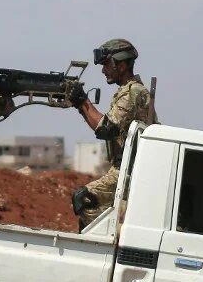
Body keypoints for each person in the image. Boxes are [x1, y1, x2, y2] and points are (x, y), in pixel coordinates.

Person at [67, 39, 157, 231]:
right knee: (92, 205)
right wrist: (80, 104)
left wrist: (82, 101)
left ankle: (104, 242)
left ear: (122, 65)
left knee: (84, 199)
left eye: (107, 65)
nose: (103, 70)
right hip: (126, 168)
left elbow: (106, 129)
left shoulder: (133, 92)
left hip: (132, 170)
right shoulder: (127, 92)